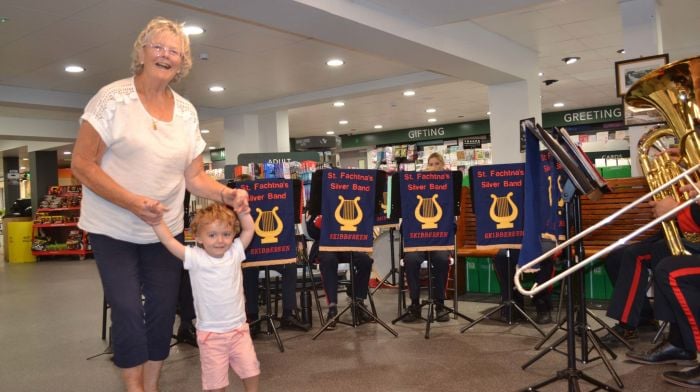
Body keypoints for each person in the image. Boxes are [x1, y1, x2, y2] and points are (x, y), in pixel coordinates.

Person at [71, 17, 248, 391]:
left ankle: (150, 385)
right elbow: (82, 164)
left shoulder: (186, 112)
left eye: (174, 51)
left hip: (164, 232)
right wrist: (132, 202)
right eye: (158, 47)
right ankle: (133, 387)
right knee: (128, 310)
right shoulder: (112, 99)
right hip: (112, 227)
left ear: (182, 63)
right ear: (141, 51)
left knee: (163, 311)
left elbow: (195, 177)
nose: (165, 55)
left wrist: (226, 194)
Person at [152, 203, 260, 392]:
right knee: (215, 383)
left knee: (251, 370)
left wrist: (243, 211)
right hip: (211, 334)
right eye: (212, 235)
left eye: (226, 234)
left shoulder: (235, 252)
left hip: (239, 330)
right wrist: (157, 222)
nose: (220, 240)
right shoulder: (195, 257)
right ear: (198, 237)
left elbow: (249, 228)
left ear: (233, 234)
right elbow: (169, 241)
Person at [234, 174, 310, 335]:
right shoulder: (235, 207)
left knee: (290, 266)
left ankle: (288, 314)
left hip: (274, 252)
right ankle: (252, 317)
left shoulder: (266, 202)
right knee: (248, 270)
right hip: (251, 254)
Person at [401, 152, 452, 323]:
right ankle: (414, 305)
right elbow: (404, 225)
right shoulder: (414, 188)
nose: (433, 167)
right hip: (418, 242)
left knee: (442, 259)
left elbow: (454, 225)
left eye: (437, 164)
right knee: (411, 259)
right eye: (430, 164)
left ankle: (440, 305)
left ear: (443, 166)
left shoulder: (448, 189)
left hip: (440, 242)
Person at [306, 213, 374, 329]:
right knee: (329, 261)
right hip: (325, 247)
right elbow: (312, 232)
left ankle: (358, 303)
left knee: (365, 261)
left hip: (346, 245)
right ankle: (332, 309)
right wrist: (324, 221)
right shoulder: (319, 204)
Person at [493, 245, 555, 324]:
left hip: (538, 245)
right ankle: (510, 305)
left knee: (545, 257)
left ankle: (542, 306)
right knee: (501, 257)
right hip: (514, 247)